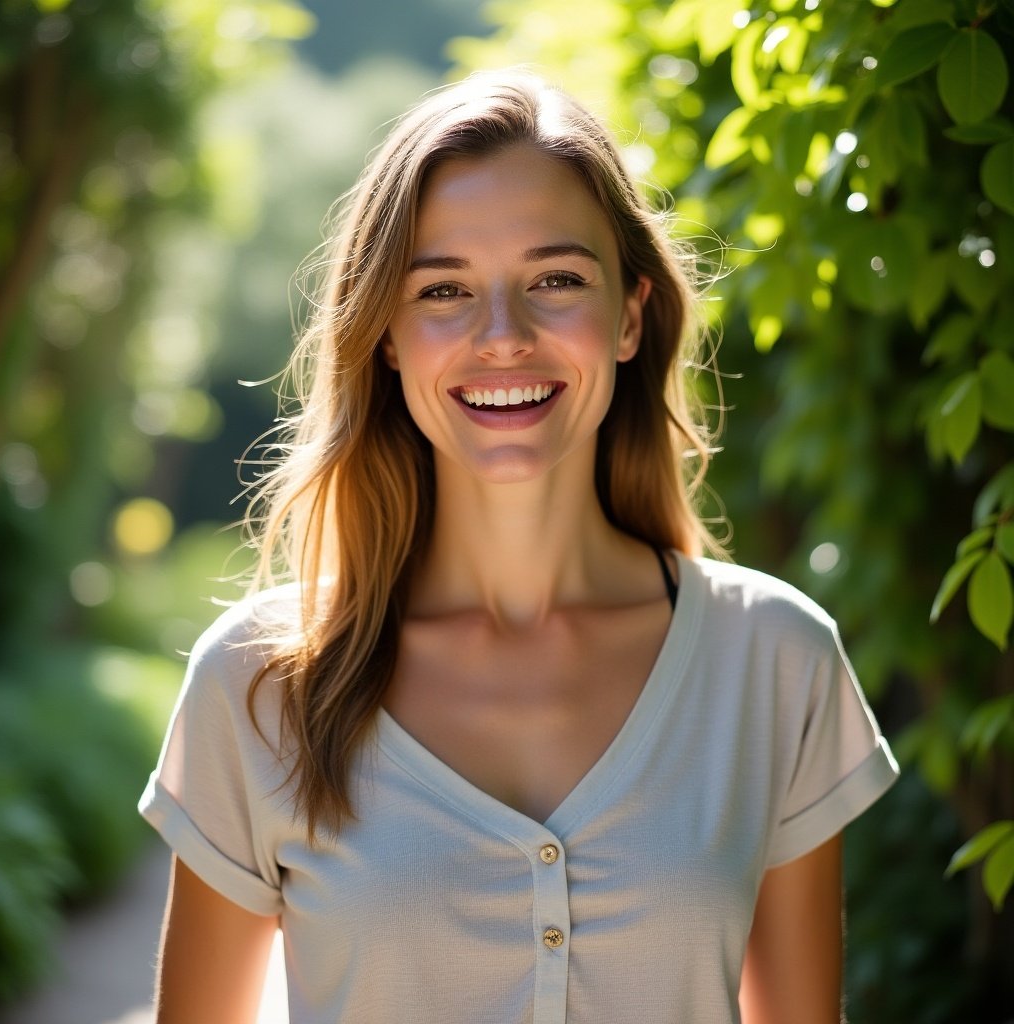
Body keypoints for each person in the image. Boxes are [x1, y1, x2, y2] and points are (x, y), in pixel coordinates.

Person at [139, 69, 899, 1024]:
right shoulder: (258, 683)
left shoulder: (776, 659)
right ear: (387, 338)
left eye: (556, 280)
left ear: (629, 316)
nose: (503, 336)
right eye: (444, 290)